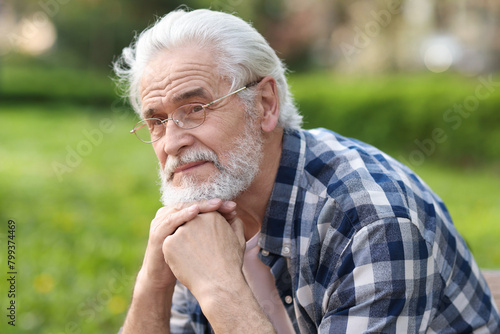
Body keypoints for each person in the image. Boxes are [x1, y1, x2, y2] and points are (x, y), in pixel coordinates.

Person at [113, 8, 500, 333]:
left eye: (195, 109)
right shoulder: (206, 208)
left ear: (265, 104)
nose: (170, 142)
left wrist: (220, 288)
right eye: (157, 121)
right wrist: (154, 282)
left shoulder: (373, 222)